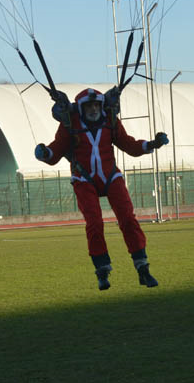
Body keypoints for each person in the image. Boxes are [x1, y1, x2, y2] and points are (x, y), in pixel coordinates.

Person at [34, 87, 169, 290]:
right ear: (81, 108)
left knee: (128, 218)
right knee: (94, 223)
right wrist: (45, 153)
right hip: (84, 178)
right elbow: (56, 150)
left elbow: (129, 145)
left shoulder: (110, 121)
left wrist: (151, 144)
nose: (94, 109)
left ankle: (142, 267)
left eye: (97, 105)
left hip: (110, 176)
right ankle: (102, 270)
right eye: (89, 106)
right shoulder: (70, 125)